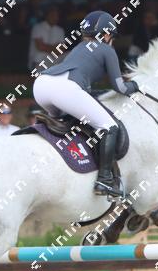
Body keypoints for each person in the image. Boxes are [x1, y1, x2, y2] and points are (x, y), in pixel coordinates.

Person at [33, 10, 139, 197]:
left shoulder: (79, 48)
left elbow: (83, 90)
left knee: (65, 122)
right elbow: (121, 88)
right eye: (111, 36)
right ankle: (104, 180)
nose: (112, 40)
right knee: (109, 127)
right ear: (106, 35)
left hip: (41, 86)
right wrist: (137, 85)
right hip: (64, 89)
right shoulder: (107, 49)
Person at [28, 5, 65, 70]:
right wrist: (55, 47)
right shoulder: (37, 27)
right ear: (47, 16)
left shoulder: (60, 30)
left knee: (69, 54)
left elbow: (61, 50)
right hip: (39, 60)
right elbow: (40, 47)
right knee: (40, 56)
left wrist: (46, 46)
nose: (55, 18)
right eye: (53, 15)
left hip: (54, 60)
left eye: (57, 16)